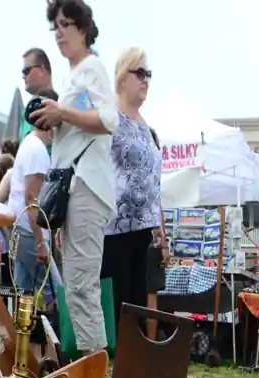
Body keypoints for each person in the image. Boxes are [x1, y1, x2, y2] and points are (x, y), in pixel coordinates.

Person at [32, 0, 117, 355]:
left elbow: (109, 119)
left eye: (66, 24)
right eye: (55, 25)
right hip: (77, 187)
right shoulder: (76, 75)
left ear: (83, 29)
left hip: (86, 187)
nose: (59, 32)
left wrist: (60, 112)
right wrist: (56, 122)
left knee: (81, 288)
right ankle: (88, 373)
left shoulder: (91, 68)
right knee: (78, 287)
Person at [102, 47, 164, 331]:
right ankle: (113, 368)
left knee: (137, 310)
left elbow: (152, 179)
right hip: (114, 231)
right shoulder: (110, 118)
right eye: (139, 73)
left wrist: (159, 224)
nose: (146, 80)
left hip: (143, 232)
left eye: (148, 74)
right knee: (117, 311)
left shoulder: (145, 125)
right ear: (121, 77)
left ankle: (131, 372)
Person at [9, 87, 57, 309]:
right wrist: (40, 243)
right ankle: (55, 341)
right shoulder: (37, 151)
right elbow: (32, 198)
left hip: (21, 228)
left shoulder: (28, 144)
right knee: (53, 292)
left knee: (24, 292)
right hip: (30, 231)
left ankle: (23, 340)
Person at [21, 48, 54, 142]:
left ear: (41, 70)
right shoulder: (25, 113)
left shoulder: (61, 106)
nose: (23, 76)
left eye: (26, 70)